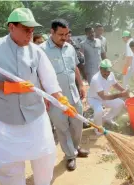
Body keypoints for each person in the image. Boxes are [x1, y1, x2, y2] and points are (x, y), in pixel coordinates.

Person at [0, 8, 77, 185]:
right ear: (11, 27)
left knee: (45, 155)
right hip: (5, 119)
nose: (30, 34)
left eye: (32, 30)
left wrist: (61, 99)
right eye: (26, 29)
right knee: (9, 166)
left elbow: (50, 80)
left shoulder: (36, 51)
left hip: (35, 116)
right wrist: (8, 86)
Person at [40, 19, 89, 171]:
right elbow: (39, 75)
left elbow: (74, 67)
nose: (65, 37)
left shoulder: (70, 48)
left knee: (77, 124)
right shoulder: (41, 50)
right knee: (62, 128)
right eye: (61, 34)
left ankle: (75, 147)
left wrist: (81, 84)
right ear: (52, 32)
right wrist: (44, 96)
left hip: (73, 95)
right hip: (55, 99)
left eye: (67, 34)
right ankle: (70, 156)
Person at [87, 59, 129, 135]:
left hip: (104, 95)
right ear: (100, 69)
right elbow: (104, 97)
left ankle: (107, 118)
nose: (107, 73)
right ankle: (98, 129)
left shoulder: (111, 74)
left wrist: (124, 91)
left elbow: (115, 84)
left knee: (120, 103)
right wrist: (120, 95)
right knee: (99, 110)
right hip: (94, 99)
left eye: (108, 71)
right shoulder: (96, 79)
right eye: (105, 71)